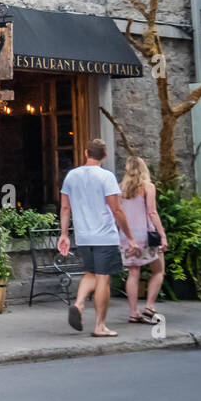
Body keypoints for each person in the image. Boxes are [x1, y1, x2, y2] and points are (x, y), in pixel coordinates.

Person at [58, 138, 136, 337]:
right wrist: (129, 236)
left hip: (83, 236)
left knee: (90, 273)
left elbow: (65, 207)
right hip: (104, 236)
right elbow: (117, 209)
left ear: (85, 153)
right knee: (103, 279)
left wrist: (64, 234)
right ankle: (100, 326)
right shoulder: (106, 177)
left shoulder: (71, 176)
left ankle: (79, 303)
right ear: (105, 156)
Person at [119, 156, 167, 324]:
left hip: (126, 237)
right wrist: (162, 235)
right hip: (146, 236)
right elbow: (152, 212)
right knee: (159, 270)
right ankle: (149, 306)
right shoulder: (148, 187)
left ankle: (133, 313)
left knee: (133, 272)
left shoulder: (121, 188)